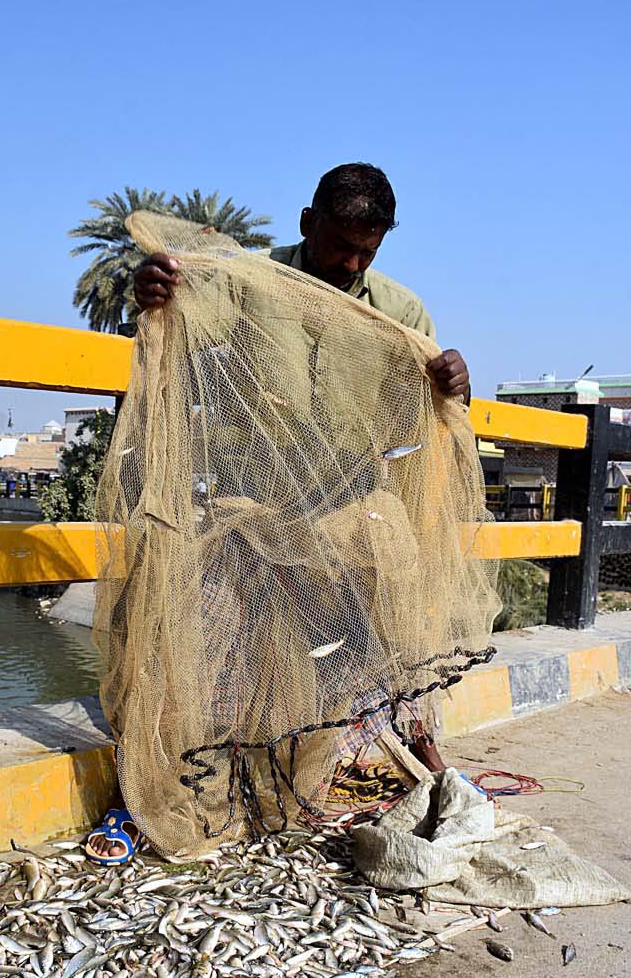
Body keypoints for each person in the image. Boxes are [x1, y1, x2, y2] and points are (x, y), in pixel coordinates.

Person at [88, 163, 470, 861]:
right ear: (305, 224)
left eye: (368, 249)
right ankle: (150, 789)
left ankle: (421, 748)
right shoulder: (246, 284)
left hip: (346, 506)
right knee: (189, 635)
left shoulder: (401, 311)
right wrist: (153, 301)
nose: (353, 262)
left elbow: (418, 404)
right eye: (341, 245)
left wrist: (451, 382)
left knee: (399, 597)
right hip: (248, 507)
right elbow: (182, 333)